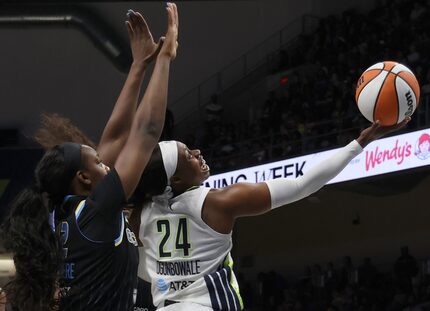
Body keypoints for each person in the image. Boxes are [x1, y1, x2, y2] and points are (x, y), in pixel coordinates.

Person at [1, 3, 179, 311]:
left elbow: (116, 137)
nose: (106, 161)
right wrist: (164, 59)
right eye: (97, 161)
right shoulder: (98, 210)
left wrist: (139, 65)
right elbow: (147, 130)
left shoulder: (62, 216)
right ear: (83, 178)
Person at [130, 118, 410, 311]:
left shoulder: (139, 214)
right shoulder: (218, 202)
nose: (197, 152)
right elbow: (303, 183)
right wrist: (359, 143)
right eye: (188, 155)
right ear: (176, 181)